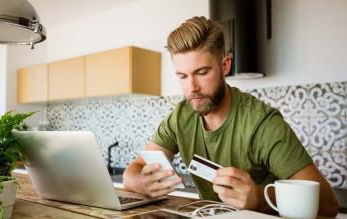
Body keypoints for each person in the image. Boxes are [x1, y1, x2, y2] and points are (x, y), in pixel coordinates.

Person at [123, 16, 339, 216]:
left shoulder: (262, 123)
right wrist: (142, 182)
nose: (192, 88)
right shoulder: (180, 116)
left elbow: (329, 205)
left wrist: (260, 197)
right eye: (182, 76)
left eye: (202, 73)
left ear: (225, 65)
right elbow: (132, 171)